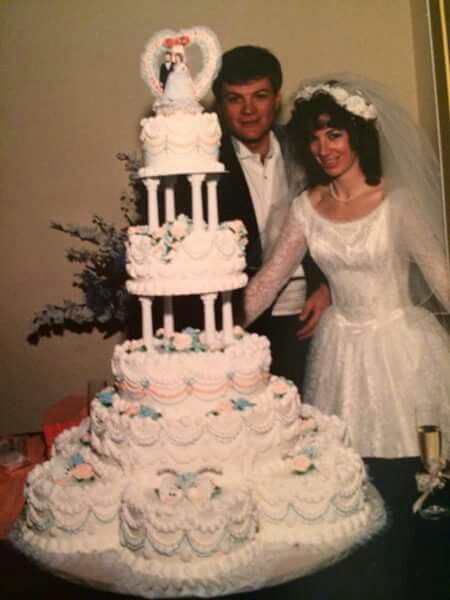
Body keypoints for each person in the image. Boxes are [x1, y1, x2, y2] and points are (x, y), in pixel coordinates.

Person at [243, 76, 450, 457]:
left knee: (416, 465)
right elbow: (268, 281)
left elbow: (442, 278)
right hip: (340, 356)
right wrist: (212, 334)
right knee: (342, 466)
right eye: (314, 138)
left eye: (334, 135)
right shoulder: (306, 207)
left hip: (401, 349)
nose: (323, 148)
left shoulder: (397, 203)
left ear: (356, 135)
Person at [211, 46, 330, 392]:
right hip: (240, 326)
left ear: (277, 99)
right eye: (235, 99)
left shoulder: (311, 151)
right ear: (220, 105)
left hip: (310, 318)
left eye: (259, 96)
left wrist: (328, 287)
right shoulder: (203, 168)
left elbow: (343, 221)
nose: (249, 110)